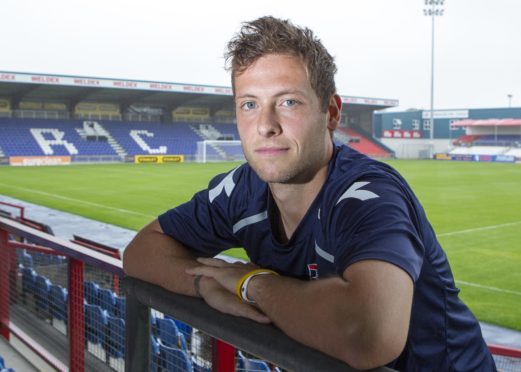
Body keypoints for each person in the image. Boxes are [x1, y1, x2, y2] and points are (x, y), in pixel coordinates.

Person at [123, 16, 496, 371]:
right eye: (249, 105)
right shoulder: (242, 189)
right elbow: (142, 251)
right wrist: (204, 283)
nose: (266, 126)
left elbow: (367, 334)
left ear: (331, 113)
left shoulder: (367, 195)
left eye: (288, 102)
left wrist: (251, 283)